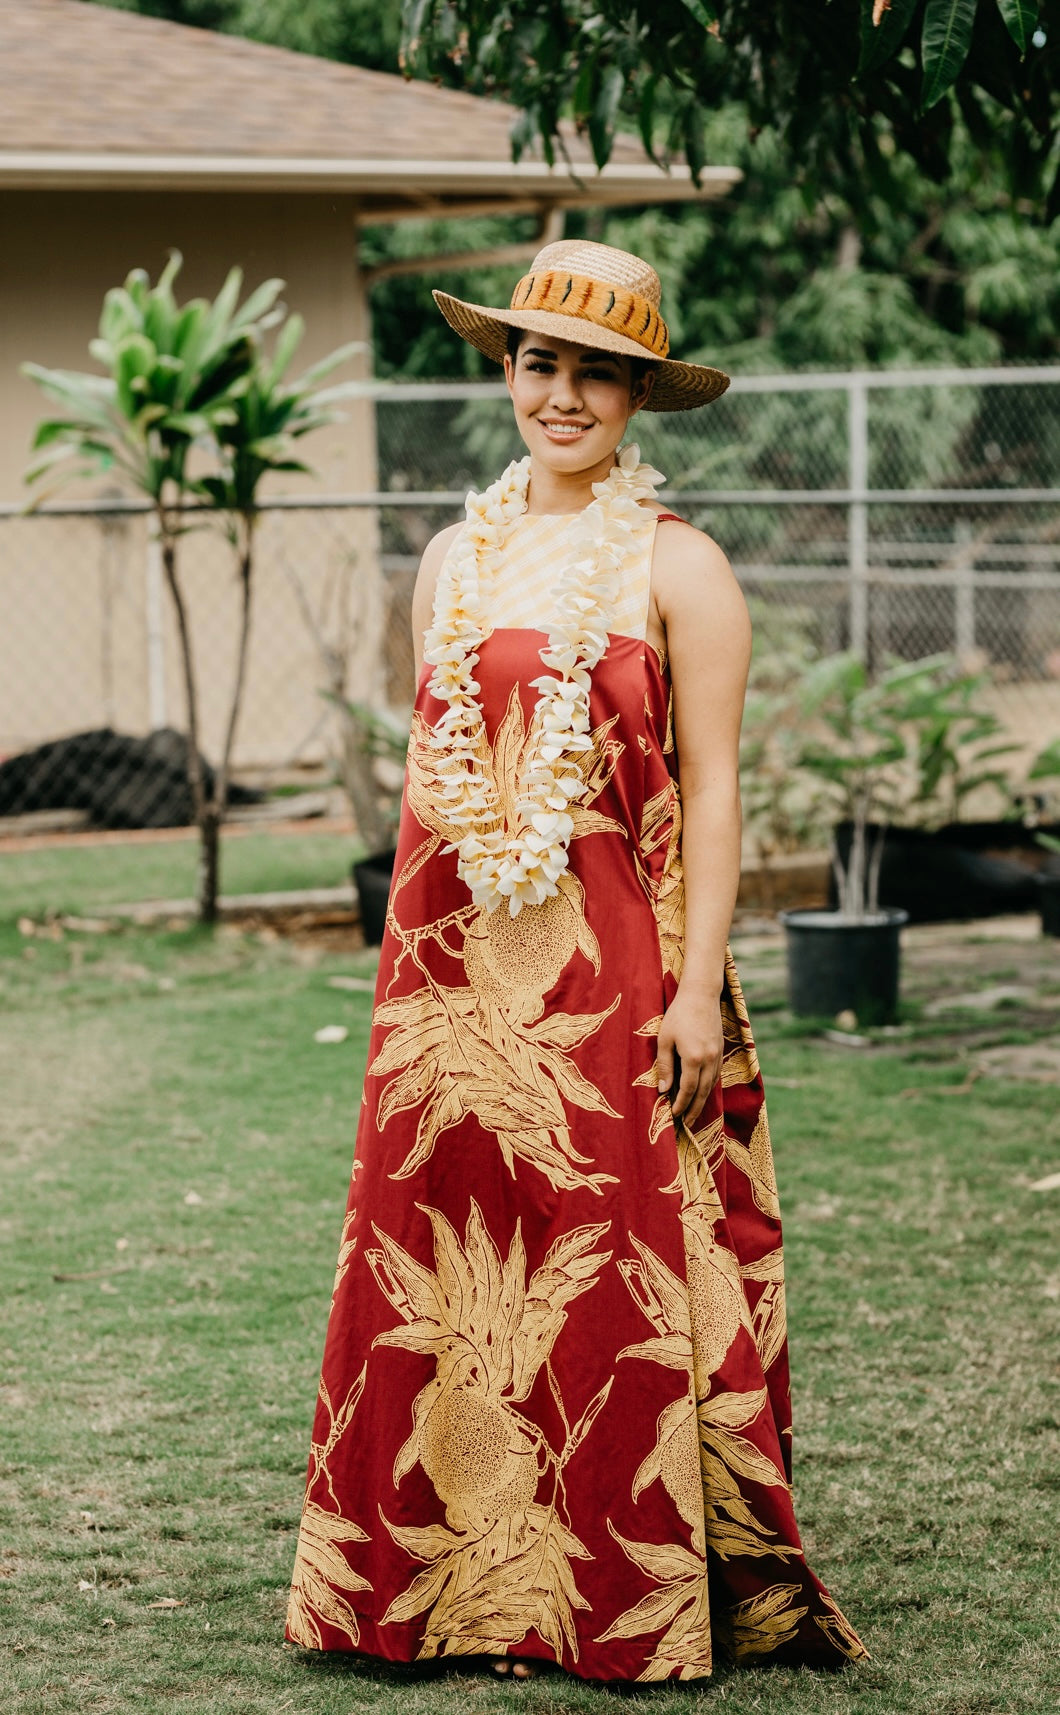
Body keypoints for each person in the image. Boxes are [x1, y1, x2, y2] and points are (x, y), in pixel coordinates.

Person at [286, 240, 866, 1682]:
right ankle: (447, 1596)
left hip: (620, 973)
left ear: (637, 396)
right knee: (450, 1288)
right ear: (506, 372)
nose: (563, 393)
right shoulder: (450, 558)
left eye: (596, 370)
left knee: (602, 1285)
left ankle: (615, 1600)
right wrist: (418, 982)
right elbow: (443, 779)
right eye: (540, 361)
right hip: (448, 979)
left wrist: (694, 992)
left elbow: (716, 792)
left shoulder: (683, 566)